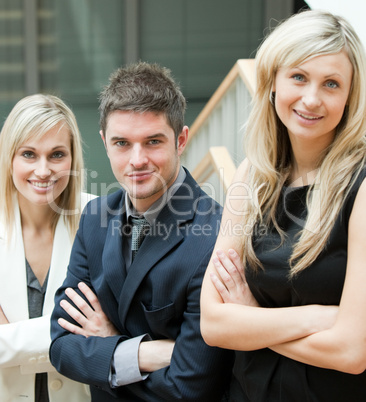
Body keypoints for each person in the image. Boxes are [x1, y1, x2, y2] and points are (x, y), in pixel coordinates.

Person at [200, 9, 366, 402]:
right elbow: (213, 323)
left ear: (349, 96)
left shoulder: (361, 188)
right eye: (298, 77)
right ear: (273, 81)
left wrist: (252, 317)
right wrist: (317, 318)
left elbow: (351, 351)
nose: (312, 99)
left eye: (331, 83)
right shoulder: (251, 176)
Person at [49, 62, 234, 401]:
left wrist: (107, 345)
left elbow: (189, 387)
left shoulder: (216, 234)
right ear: (104, 142)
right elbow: (61, 346)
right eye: (122, 143)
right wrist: (147, 353)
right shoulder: (94, 218)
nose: (137, 160)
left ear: (180, 140)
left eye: (152, 142)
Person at [0, 94, 93, 401]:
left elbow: (114, 327)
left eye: (56, 155)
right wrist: (72, 329)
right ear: (9, 157)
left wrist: (10, 339)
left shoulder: (101, 218)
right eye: (28, 154)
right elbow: (89, 331)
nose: (43, 171)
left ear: (72, 157)